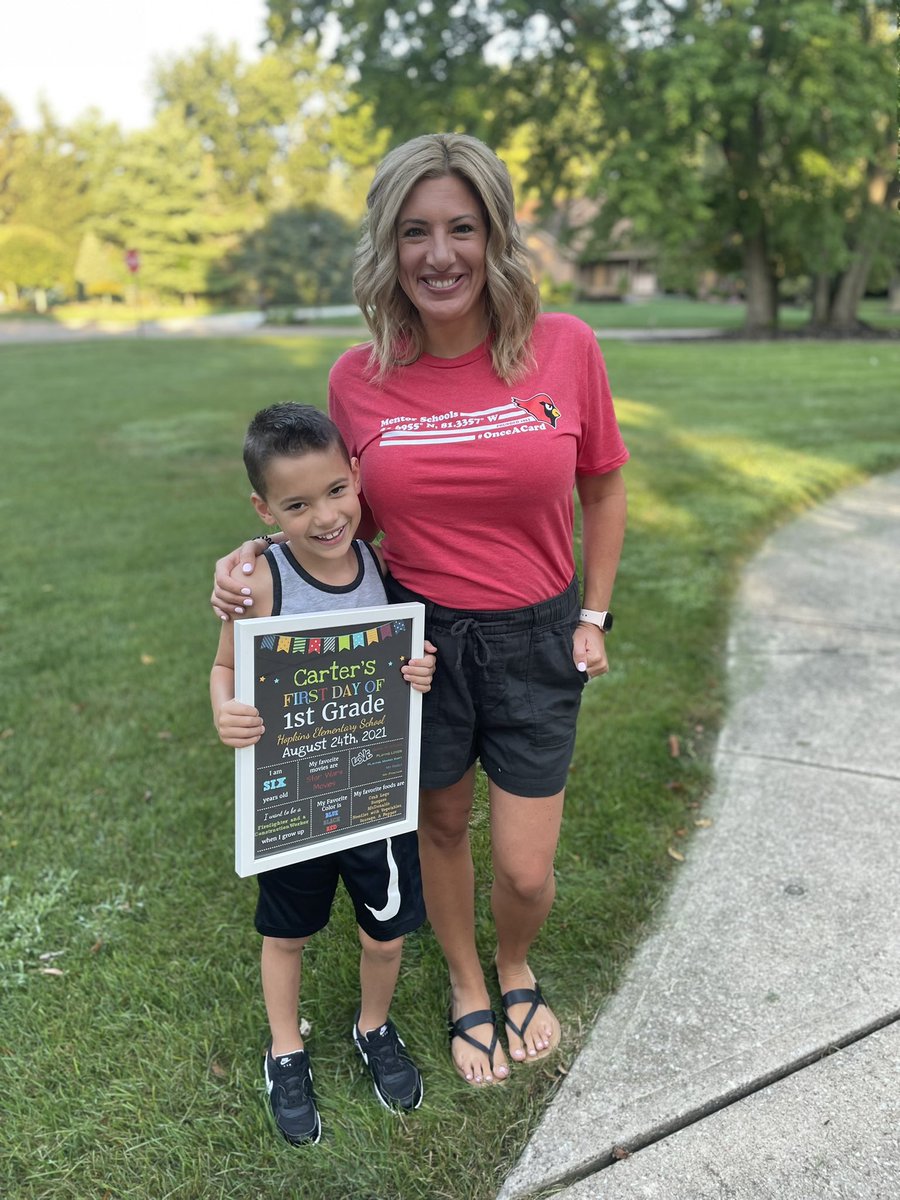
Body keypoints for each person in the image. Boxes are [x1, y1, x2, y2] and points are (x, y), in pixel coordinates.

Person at [213, 133, 629, 1088]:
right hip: (413, 644)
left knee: (525, 867)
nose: (439, 254)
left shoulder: (565, 347)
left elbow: (603, 484)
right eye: (415, 232)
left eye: (461, 229)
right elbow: (323, 517)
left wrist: (593, 616)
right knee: (438, 828)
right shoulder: (357, 380)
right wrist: (245, 564)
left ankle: (516, 958)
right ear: (388, 247)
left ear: (496, 237)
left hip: (536, 637)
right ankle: (467, 982)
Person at [211, 403, 437, 1144]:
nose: (325, 515)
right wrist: (226, 711)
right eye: (297, 504)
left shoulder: (377, 565)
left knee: (387, 932)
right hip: (295, 802)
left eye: (337, 491)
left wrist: (417, 671)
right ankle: (286, 1049)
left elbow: (398, 658)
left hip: (373, 794)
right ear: (264, 509)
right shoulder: (260, 580)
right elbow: (224, 667)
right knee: (288, 934)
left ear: (357, 477)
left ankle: (375, 1027)